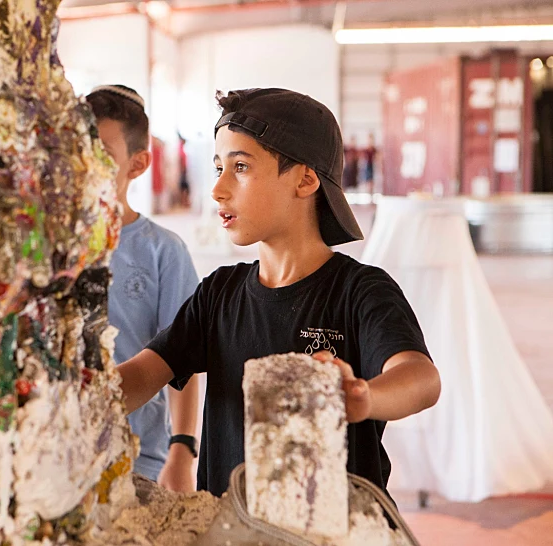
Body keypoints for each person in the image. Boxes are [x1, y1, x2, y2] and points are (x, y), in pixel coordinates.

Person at [116, 88, 441, 497]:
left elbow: (421, 378)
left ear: (305, 179)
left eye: (241, 167)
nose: (218, 189)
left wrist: (363, 397)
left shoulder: (360, 291)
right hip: (230, 532)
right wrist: (76, 398)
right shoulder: (219, 293)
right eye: (219, 167)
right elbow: (145, 373)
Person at [86, 85, 201, 492]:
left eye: (102, 152)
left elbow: (184, 359)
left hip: (136, 458)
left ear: (137, 165)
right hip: (54, 452)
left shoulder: (163, 253)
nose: (85, 162)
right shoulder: (46, 247)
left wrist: (182, 450)